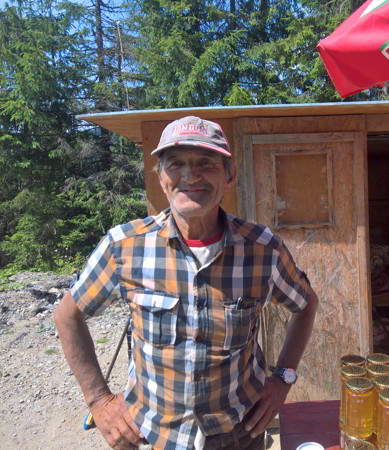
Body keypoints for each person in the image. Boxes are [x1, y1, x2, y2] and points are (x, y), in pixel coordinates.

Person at [54, 116, 319, 450]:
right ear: (161, 177)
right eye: (175, 164)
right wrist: (98, 401)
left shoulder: (263, 249)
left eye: (206, 163)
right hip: (156, 435)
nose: (190, 176)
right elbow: (68, 315)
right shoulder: (124, 246)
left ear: (229, 175)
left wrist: (283, 379)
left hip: (241, 432)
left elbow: (306, 304)